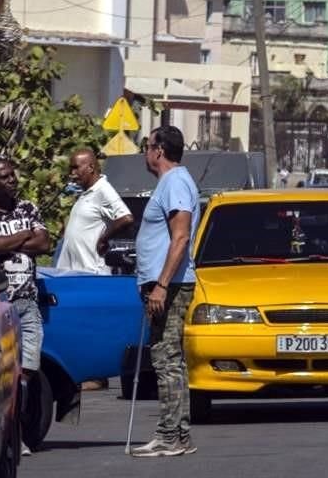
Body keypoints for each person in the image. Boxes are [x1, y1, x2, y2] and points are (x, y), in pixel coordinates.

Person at [130, 126, 200, 458]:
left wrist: (160, 285)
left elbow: (181, 236)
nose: (145, 152)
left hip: (170, 285)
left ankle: (171, 435)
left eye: (147, 146)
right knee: (170, 360)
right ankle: (176, 434)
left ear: (159, 150)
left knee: (166, 360)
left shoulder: (175, 183)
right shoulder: (171, 183)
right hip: (165, 283)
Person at [0, 158, 51, 456]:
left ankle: (15, 429)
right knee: (1, 374)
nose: (12, 180)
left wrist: (7, 241)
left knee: (27, 370)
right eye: (4, 177)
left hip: (27, 301)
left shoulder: (28, 208)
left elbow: (43, 244)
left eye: (12, 175)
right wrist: (23, 236)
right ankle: (7, 436)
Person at [55, 148, 134, 275]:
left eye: (76, 168)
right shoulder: (86, 192)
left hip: (91, 273)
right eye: (71, 169)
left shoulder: (103, 190)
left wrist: (103, 239)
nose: (72, 173)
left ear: (91, 167)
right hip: (73, 273)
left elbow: (126, 218)